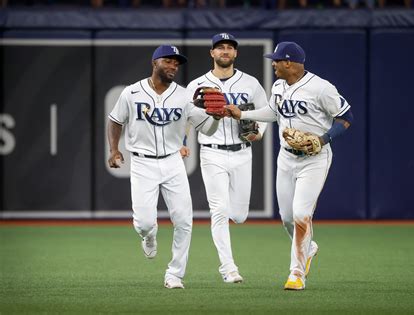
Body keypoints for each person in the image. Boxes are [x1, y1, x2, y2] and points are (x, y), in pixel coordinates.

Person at [227, 41, 353, 290]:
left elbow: (346, 118)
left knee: (301, 215)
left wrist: (323, 138)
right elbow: (273, 113)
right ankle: (309, 247)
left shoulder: (321, 88)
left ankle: (296, 273)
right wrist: (243, 115)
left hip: (314, 159)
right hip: (286, 157)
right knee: (286, 218)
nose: (272, 63)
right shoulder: (278, 85)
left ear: (289, 63)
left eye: (276, 60)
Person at [107, 45, 221, 290]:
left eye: (176, 64)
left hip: (172, 161)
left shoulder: (184, 96)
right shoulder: (132, 92)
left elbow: (207, 129)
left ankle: (175, 274)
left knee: (184, 220)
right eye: (168, 61)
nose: (173, 67)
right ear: (155, 62)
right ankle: (149, 235)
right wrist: (114, 149)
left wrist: (216, 117)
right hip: (142, 162)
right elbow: (116, 120)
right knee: (144, 223)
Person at [185, 33, 269, 283]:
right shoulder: (197, 85)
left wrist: (258, 133)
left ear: (236, 54)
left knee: (240, 215)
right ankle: (228, 268)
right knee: (219, 211)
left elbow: (266, 111)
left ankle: (229, 258)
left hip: (243, 152)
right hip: (211, 152)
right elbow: (185, 118)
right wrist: (181, 143)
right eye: (220, 47)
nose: (225, 51)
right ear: (212, 53)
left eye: (229, 48)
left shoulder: (251, 83)